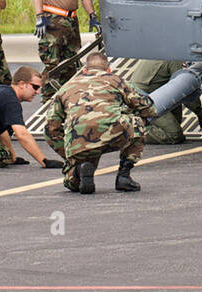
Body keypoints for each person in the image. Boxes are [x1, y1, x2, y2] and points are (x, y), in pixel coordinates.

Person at [44, 51, 157, 194]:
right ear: (108, 70)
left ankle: (78, 169)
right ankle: (124, 175)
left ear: (84, 70)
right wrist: (129, 114)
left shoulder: (66, 87)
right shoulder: (115, 80)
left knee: (72, 185)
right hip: (112, 133)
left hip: (79, 140)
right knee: (137, 123)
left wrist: (69, 155)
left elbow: (50, 129)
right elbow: (148, 108)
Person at [127, 58, 202, 144]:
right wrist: (199, 112)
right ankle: (129, 132)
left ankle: (138, 125)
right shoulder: (174, 58)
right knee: (175, 135)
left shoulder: (161, 51)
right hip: (144, 101)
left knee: (175, 119)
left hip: (141, 96)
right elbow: (184, 87)